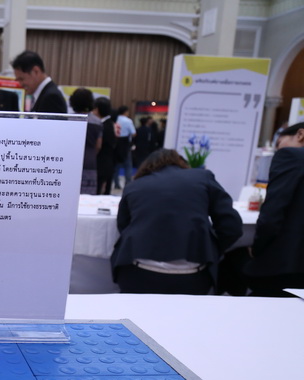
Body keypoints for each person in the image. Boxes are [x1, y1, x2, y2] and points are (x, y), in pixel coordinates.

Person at [110, 149, 242, 294]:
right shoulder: (202, 177)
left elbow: (123, 226)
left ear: (146, 167)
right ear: (181, 163)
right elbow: (232, 226)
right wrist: (209, 248)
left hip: (138, 273)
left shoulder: (134, 186)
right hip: (193, 275)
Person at [243, 122, 304, 296]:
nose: (277, 149)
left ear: (300, 135)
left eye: (278, 143)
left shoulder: (291, 156)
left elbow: (272, 214)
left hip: (284, 265)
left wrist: (257, 248)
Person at [69, 88, 101, 195]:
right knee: (88, 197)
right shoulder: (97, 122)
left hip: (70, 161)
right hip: (90, 161)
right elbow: (98, 145)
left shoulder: (68, 120)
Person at [93, 97, 117, 195]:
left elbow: (99, 146)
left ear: (97, 109)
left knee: (98, 192)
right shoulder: (110, 124)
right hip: (108, 162)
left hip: (101, 163)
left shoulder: (103, 125)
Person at [112, 105, 136, 189]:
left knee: (116, 165)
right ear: (126, 112)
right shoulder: (128, 121)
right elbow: (133, 133)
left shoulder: (115, 119)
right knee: (128, 165)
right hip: (125, 144)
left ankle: (116, 183)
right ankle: (128, 183)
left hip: (116, 144)